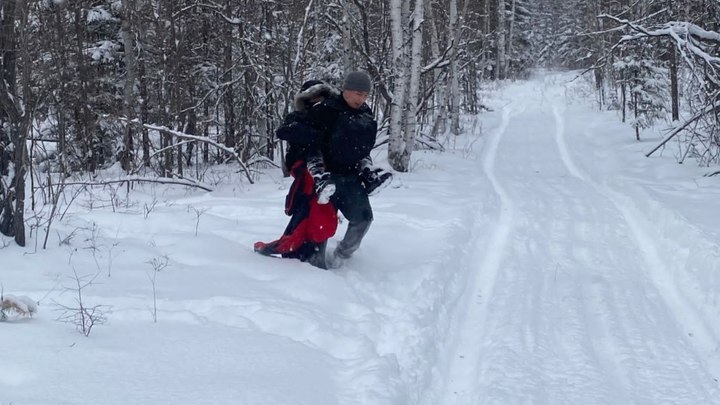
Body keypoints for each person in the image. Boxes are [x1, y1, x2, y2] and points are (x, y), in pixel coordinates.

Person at [303, 71, 392, 269]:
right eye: (358, 94)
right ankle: (313, 270)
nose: (362, 99)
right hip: (325, 178)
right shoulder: (326, 111)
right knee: (320, 225)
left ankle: (341, 257)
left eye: (366, 95)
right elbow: (311, 147)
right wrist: (318, 175)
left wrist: (367, 169)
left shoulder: (365, 114)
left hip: (351, 177)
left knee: (363, 218)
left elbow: (362, 150)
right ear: (346, 90)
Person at [253, 80, 339, 264]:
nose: (318, 102)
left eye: (322, 98)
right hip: (306, 171)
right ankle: (301, 253)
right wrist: (316, 135)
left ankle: (313, 255)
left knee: (320, 211)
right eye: (313, 98)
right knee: (309, 210)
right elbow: (285, 132)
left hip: (328, 175)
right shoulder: (298, 118)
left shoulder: (334, 120)